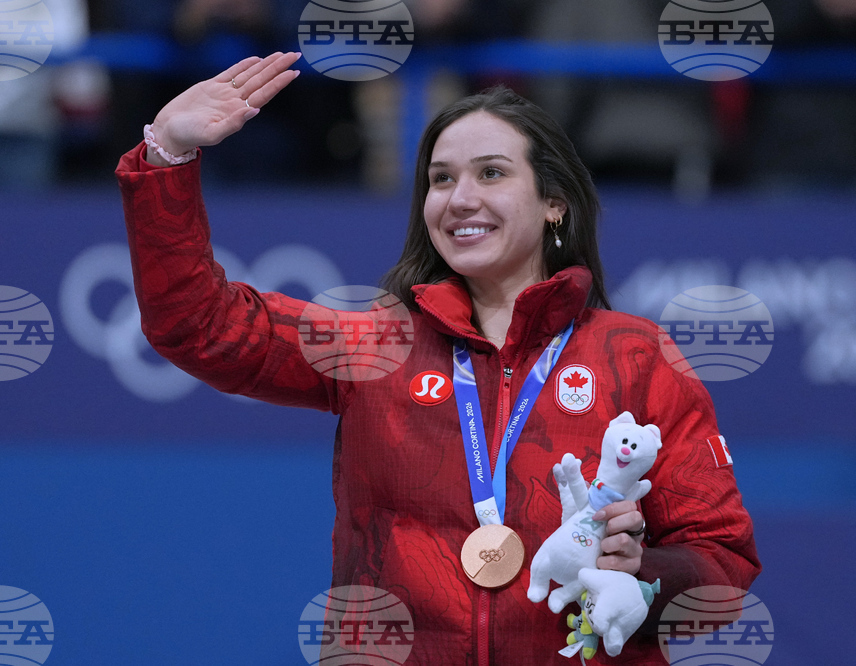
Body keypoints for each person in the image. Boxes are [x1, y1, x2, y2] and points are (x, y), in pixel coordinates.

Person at [115, 52, 760, 665]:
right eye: (441, 179)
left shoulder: (634, 355)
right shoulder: (375, 347)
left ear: (554, 203)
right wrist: (168, 154)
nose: (460, 198)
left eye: (492, 173)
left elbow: (722, 562)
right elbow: (198, 325)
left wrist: (640, 579)